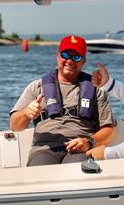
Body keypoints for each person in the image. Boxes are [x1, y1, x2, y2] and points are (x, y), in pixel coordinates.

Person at [10, 35, 114, 166]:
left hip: (79, 149)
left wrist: (89, 142)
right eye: (65, 55)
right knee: (40, 172)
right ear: (58, 56)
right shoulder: (36, 87)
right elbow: (14, 126)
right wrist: (26, 113)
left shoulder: (96, 90)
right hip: (44, 149)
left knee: (77, 171)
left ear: (83, 61)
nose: (69, 61)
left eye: (76, 57)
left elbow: (109, 132)